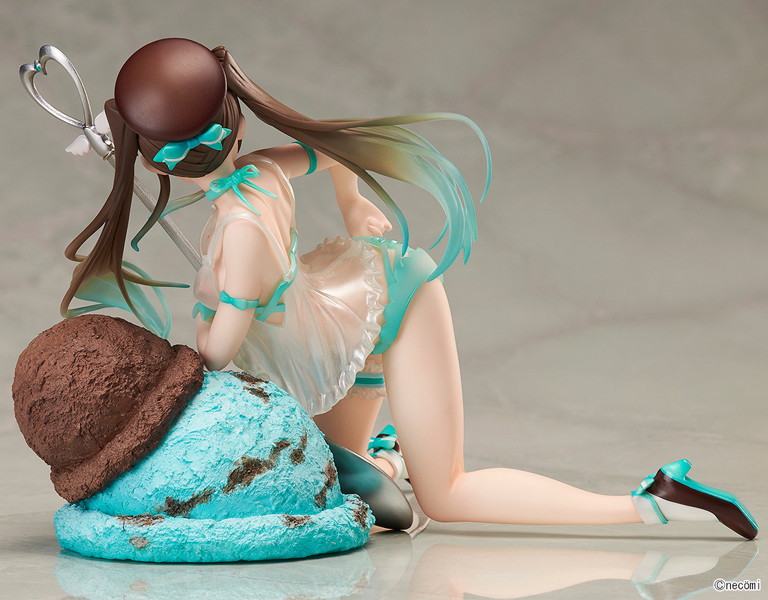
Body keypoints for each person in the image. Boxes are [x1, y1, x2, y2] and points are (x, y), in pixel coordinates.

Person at [62, 38, 758, 540]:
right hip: (329, 346)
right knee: (336, 483)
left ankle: (651, 501)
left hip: (386, 307)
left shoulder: (242, 229)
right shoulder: (261, 171)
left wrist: (163, 382)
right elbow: (332, 150)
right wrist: (353, 202)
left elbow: (218, 354)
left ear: (157, 161)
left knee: (446, 494)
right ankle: (389, 457)